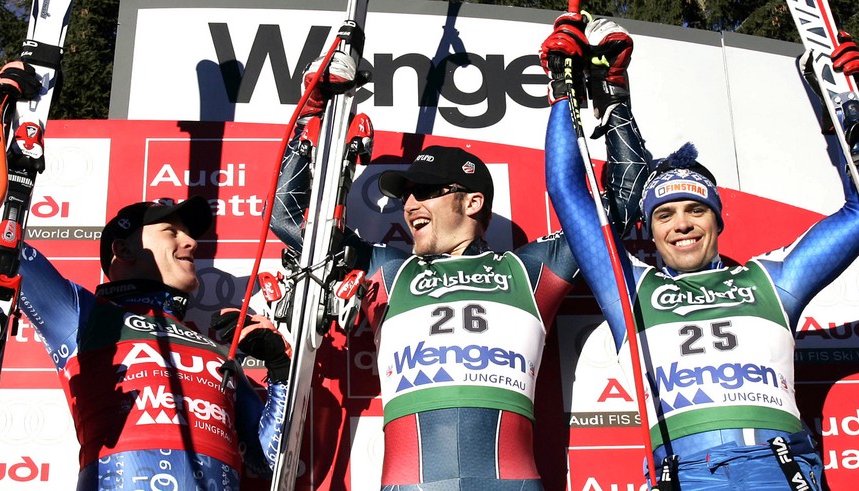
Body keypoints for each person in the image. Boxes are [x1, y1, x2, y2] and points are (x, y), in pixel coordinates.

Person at [268, 18, 647, 489]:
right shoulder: (386, 270)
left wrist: (612, 95)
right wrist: (313, 112)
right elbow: (289, 220)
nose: (410, 205)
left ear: (472, 202)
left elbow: (617, 212)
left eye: (426, 192)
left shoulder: (528, 270)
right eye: (407, 194)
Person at [543, 16, 859, 490]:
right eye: (665, 215)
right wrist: (561, 89)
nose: (683, 225)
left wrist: (841, 111)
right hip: (682, 474)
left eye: (696, 210)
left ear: (718, 219)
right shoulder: (629, 288)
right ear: (649, 230)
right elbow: (566, 189)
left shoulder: (770, 282)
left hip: (777, 467)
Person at [0, 63, 290, 490]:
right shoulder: (83, 314)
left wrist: (279, 371)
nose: (190, 244)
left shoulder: (216, 351)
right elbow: (0, 241)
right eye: (172, 231)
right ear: (124, 250)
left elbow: (268, 461)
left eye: (190, 235)